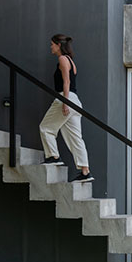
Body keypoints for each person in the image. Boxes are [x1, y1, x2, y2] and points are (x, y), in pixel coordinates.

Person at [38, 33, 92, 182]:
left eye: (52, 44)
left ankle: (53, 156)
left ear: (58, 45)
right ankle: (85, 171)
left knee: (45, 128)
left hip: (66, 97)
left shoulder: (62, 59)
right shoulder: (71, 61)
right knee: (75, 138)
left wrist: (65, 102)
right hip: (76, 102)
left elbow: (66, 82)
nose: (51, 47)